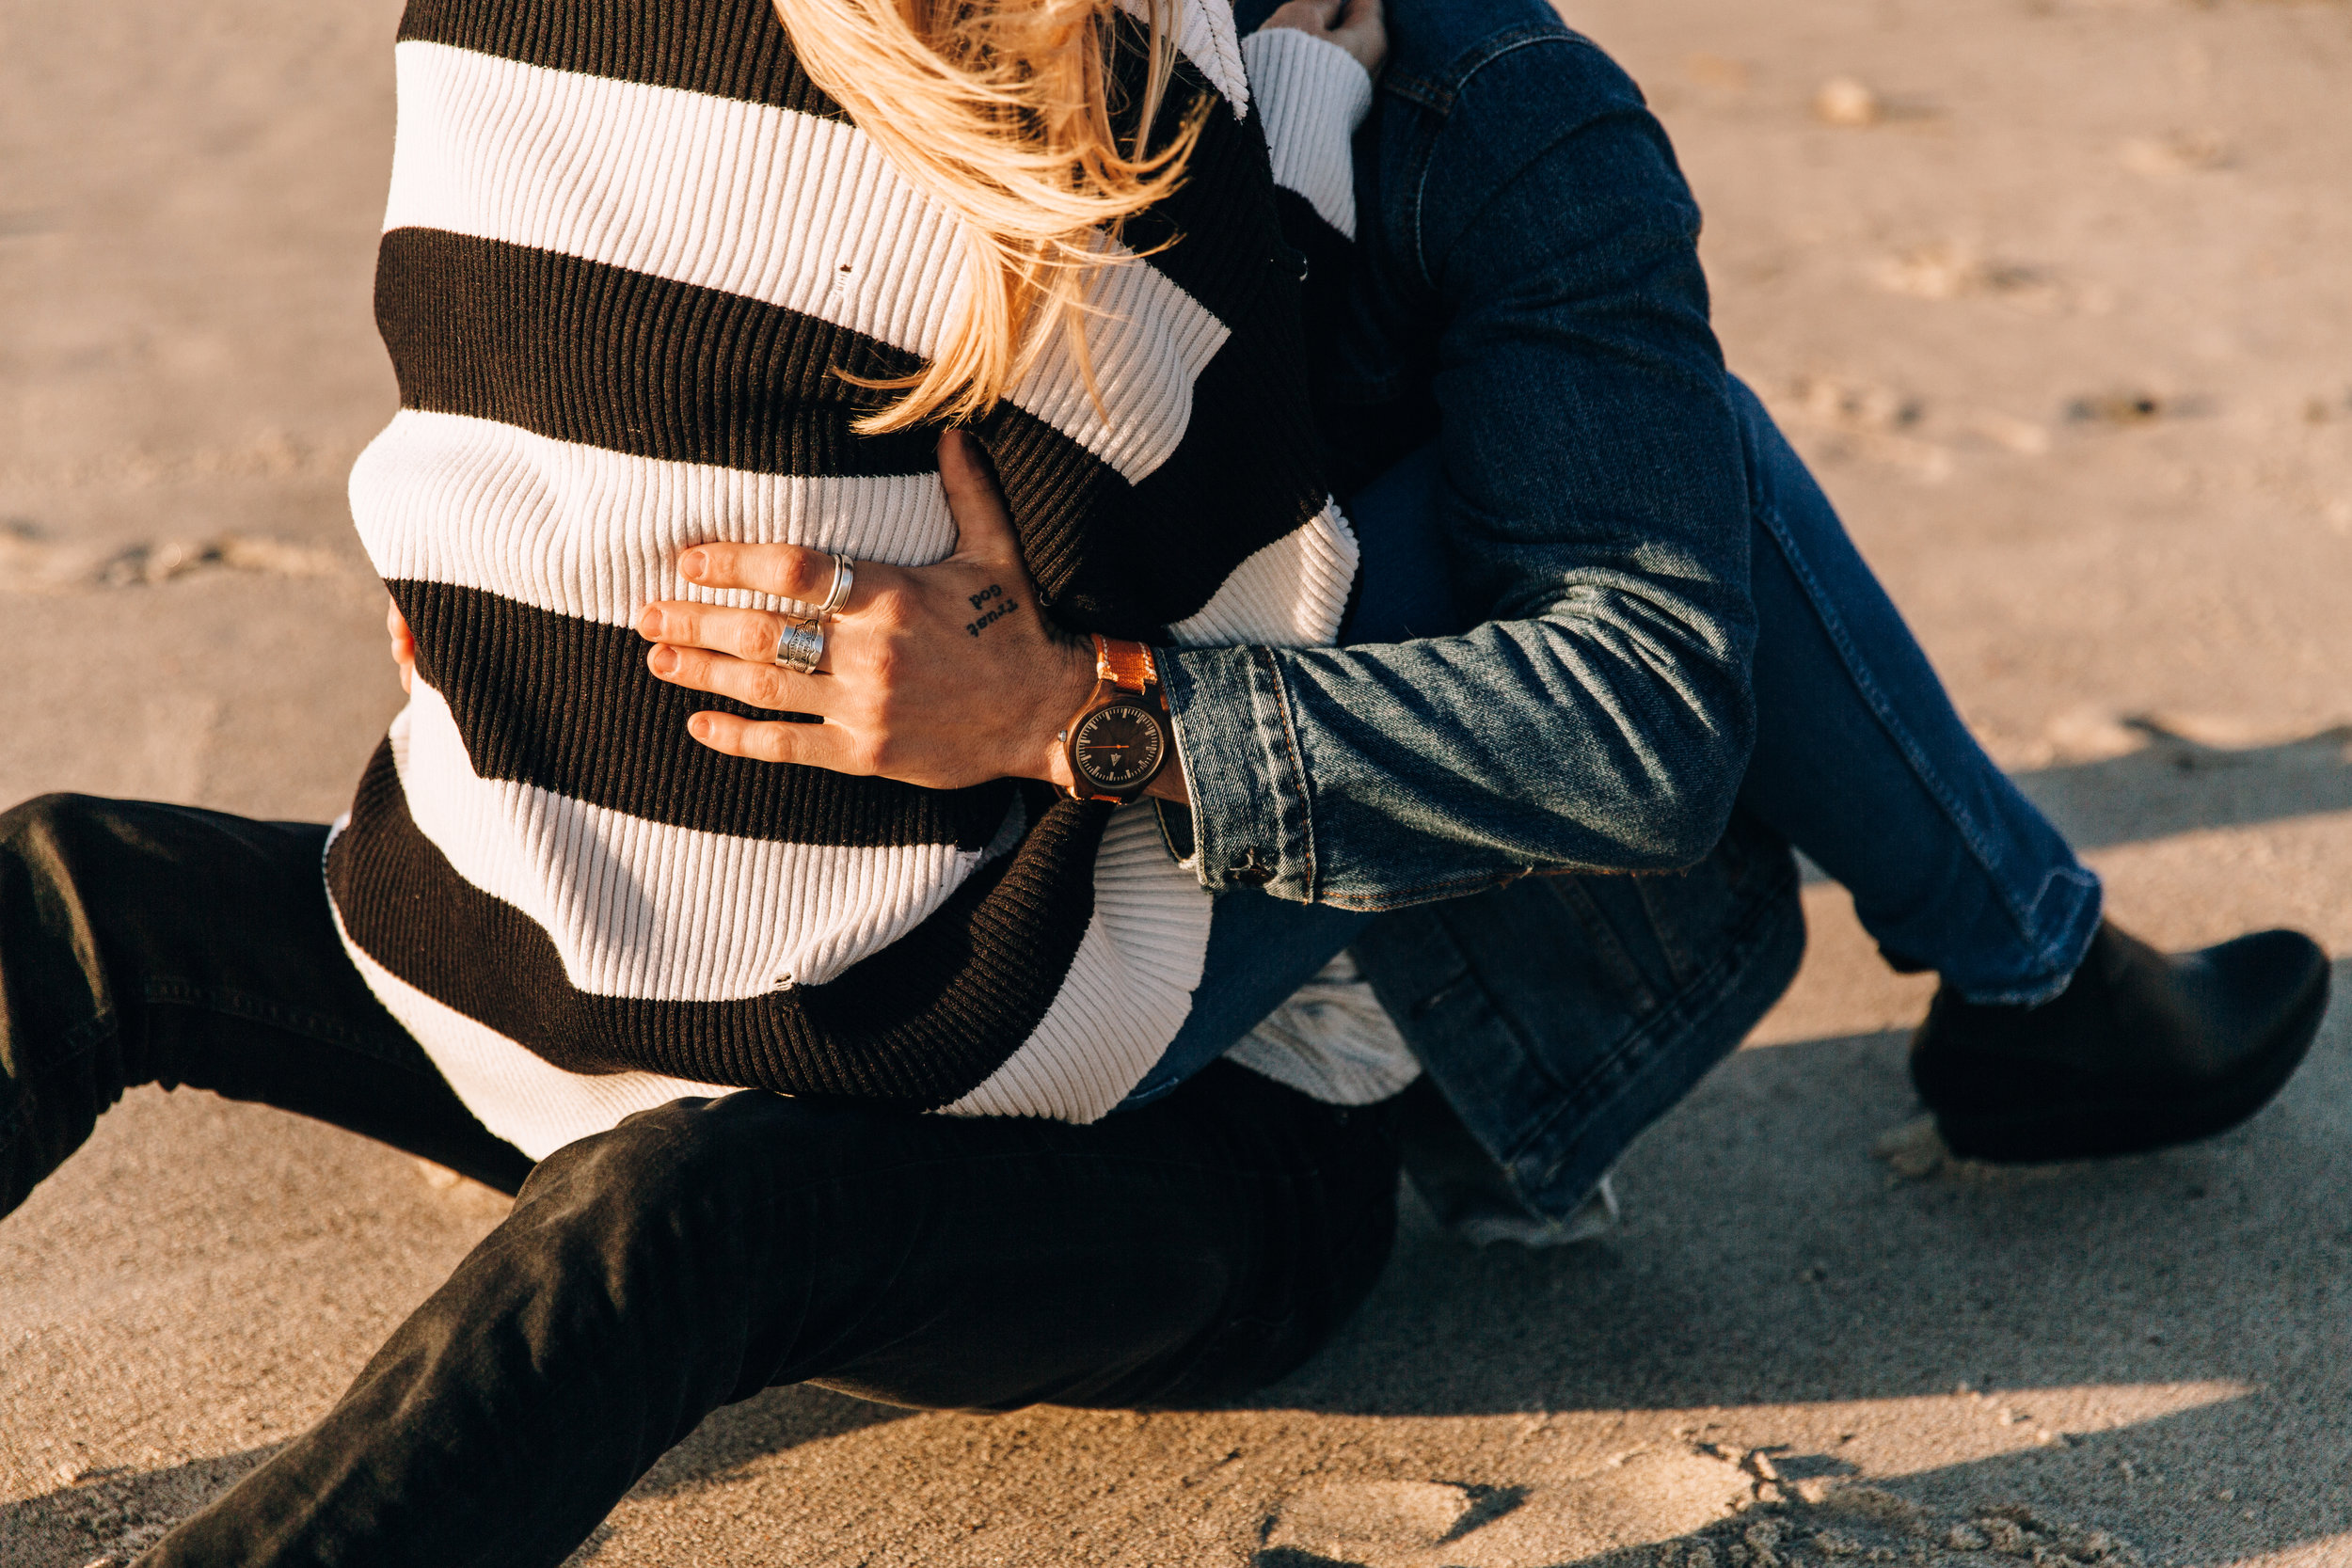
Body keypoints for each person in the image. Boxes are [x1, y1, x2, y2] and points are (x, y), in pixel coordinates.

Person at [0, 2, 2324, 1566]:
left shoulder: (1421, 108)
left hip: (1071, 1111)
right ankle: (2036, 977)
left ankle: (2034, 971)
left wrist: (1048, 708)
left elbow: (1630, 720)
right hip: (829, 990)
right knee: (96, 911)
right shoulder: (1081, 80)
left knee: (649, 1211)